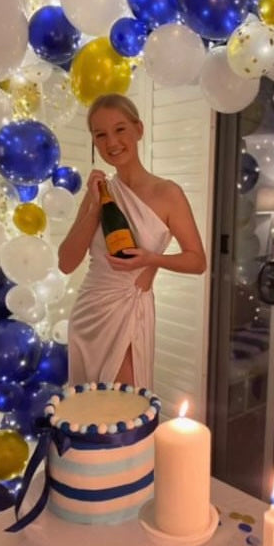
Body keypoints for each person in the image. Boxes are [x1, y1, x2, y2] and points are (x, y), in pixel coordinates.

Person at [58, 94, 206, 388]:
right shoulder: (99, 191)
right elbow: (66, 263)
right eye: (101, 135)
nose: (112, 142)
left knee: (124, 406)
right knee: (88, 407)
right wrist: (95, 206)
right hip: (89, 313)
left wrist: (153, 260)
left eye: (120, 129)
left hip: (130, 308)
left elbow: (197, 261)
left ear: (138, 129)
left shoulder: (168, 193)